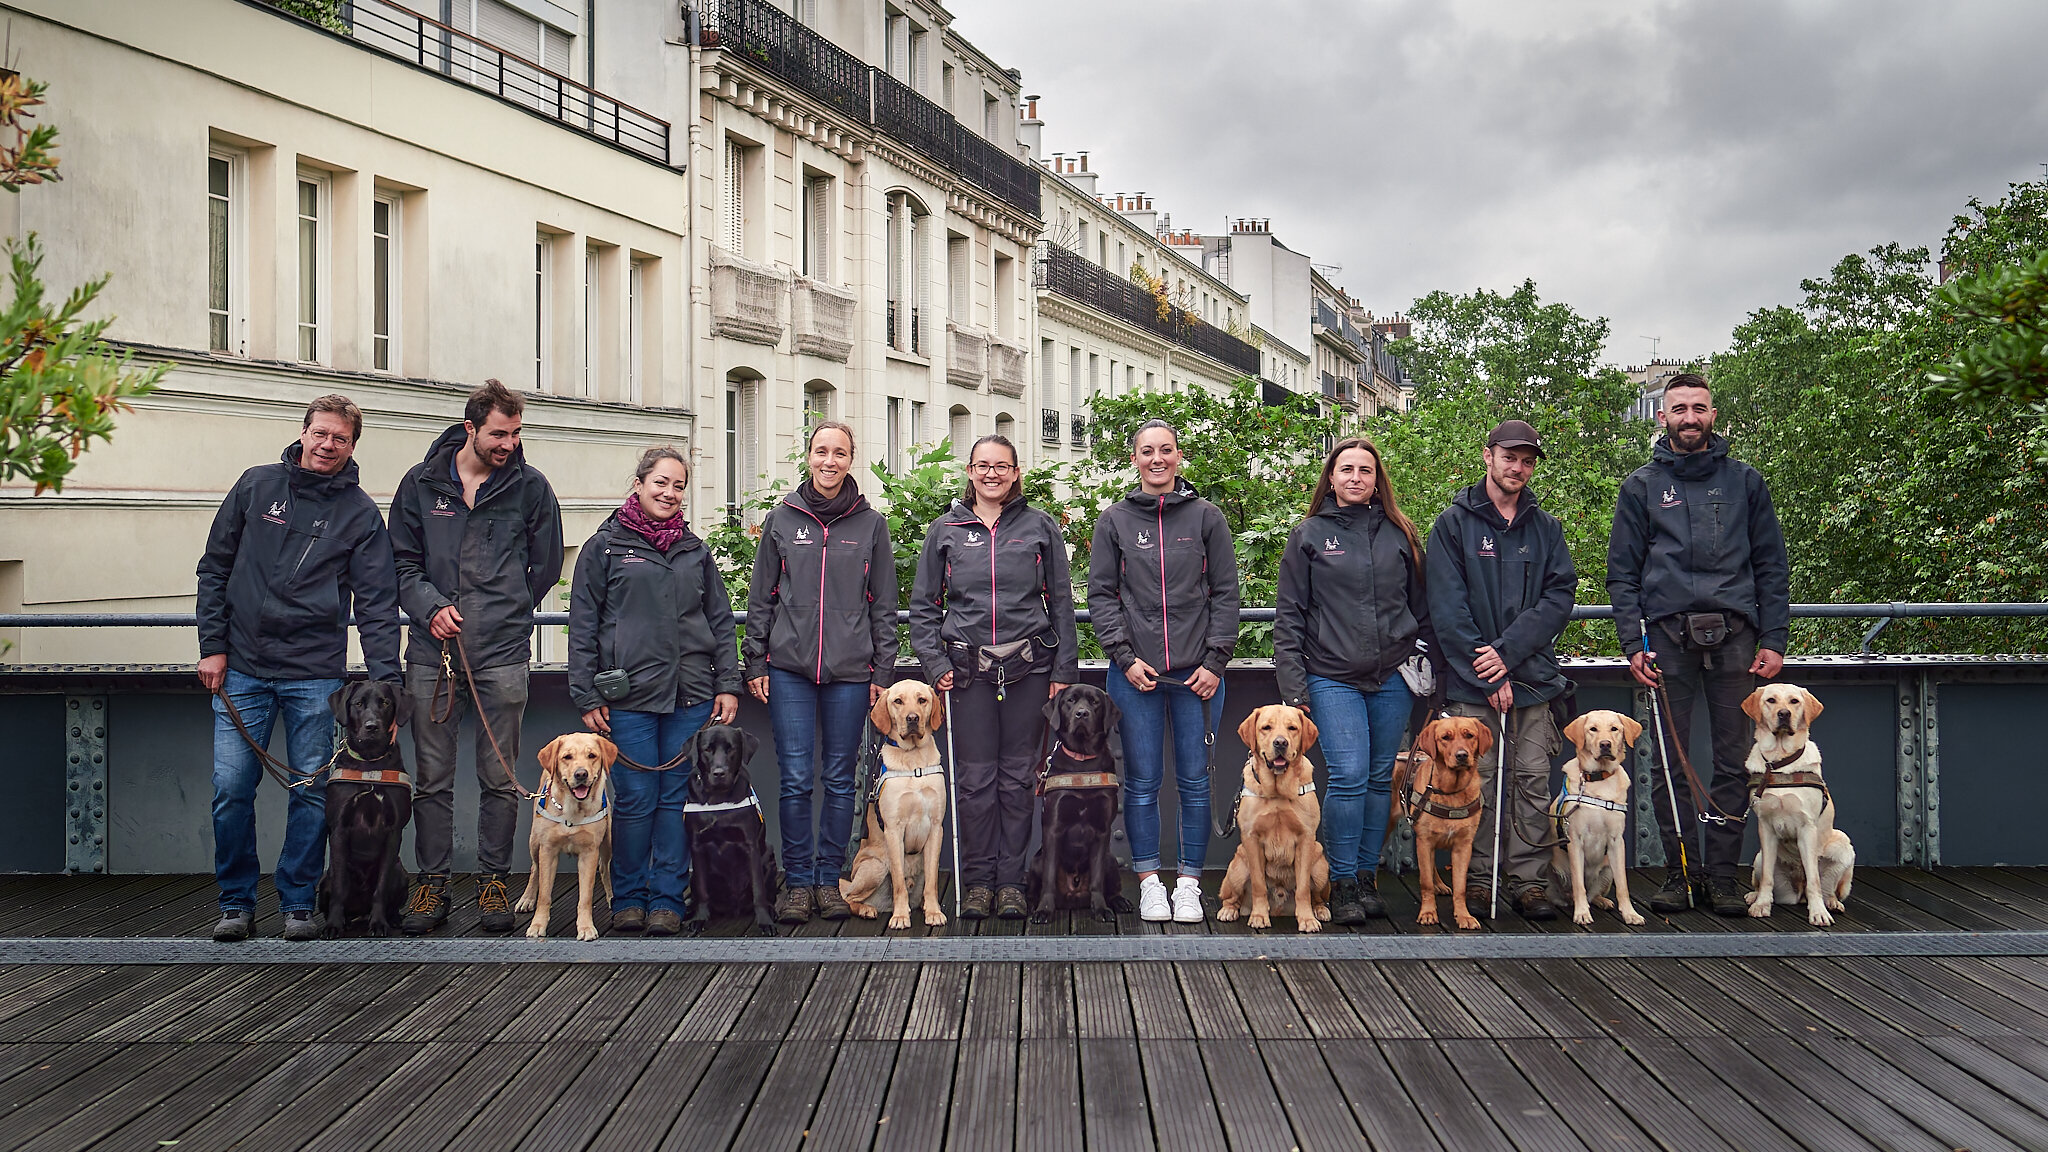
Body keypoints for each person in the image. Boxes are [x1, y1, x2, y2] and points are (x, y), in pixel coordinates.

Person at [195, 395, 401, 942]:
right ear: (303, 433)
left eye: (340, 438)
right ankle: (236, 903)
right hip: (240, 666)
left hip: (314, 674)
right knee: (231, 788)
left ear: (353, 446)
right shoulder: (256, 486)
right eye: (320, 433)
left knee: (310, 793)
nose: (327, 444)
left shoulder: (359, 514)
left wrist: (391, 688)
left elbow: (377, 604)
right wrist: (212, 646)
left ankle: (298, 904)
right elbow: (214, 567)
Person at [1608, 373, 1790, 916]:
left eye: (1699, 408)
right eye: (1679, 408)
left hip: (1737, 637)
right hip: (1666, 638)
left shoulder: (1746, 482)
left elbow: (1770, 565)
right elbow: (1623, 574)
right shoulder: (1640, 486)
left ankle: (1723, 878)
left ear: (1713, 415)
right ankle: (1680, 875)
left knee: (1735, 762)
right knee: (1670, 761)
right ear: (1662, 417)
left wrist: (1774, 637)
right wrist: (1631, 643)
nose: (1690, 417)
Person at [389, 379, 564, 934]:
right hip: (431, 654)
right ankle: (432, 885)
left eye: (516, 433)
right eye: (498, 433)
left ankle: (493, 882)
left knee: (500, 775)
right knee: (433, 777)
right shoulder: (419, 485)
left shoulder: (531, 489)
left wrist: (506, 611)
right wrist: (430, 607)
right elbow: (400, 565)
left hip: (503, 654)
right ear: (470, 428)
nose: (508, 443)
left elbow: (548, 565)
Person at [569, 447, 740, 936]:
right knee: (636, 799)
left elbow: (720, 622)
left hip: (690, 697)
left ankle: (667, 899)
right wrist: (587, 694)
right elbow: (583, 625)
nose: (669, 493)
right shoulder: (604, 547)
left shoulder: (694, 550)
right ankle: (628, 899)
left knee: (676, 800)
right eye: (660, 483)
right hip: (628, 699)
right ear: (639, 483)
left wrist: (727, 684)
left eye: (678, 485)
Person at [909, 434, 1079, 921]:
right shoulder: (945, 530)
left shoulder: (1040, 527)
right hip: (965, 675)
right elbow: (923, 609)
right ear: (969, 471)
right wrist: (935, 665)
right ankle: (978, 881)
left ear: (1015, 472)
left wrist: (1063, 669)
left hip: (1030, 670)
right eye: (982, 465)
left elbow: (1062, 603)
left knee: (1017, 779)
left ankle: (1010, 882)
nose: (991, 474)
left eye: (1001, 466)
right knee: (975, 780)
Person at [1273, 436, 1436, 923]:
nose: (1356, 478)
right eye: (1347, 469)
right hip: (1330, 675)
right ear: (1331, 477)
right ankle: (1342, 882)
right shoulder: (1309, 535)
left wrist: (1422, 664)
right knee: (1346, 776)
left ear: (1377, 479)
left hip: (1394, 677)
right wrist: (1295, 690)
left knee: (1375, 779)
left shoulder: (1400, 534)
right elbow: (1289, 618)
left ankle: (1367, 878)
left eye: (1365, 471)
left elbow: (1423, 611)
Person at [745, 421, 900, 925]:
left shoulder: (870, 525)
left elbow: (884, 605)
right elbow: (761, 597)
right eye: (820, 451)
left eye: (839, 453)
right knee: (794, 779)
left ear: (850, 460)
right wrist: (755, 661)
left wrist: (882, 669)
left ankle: (830, 880)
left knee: (839, 779)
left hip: (852, 672)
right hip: (789, 669)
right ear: (808, 456)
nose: (829, 461)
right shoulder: (783, 519)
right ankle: (798, 882)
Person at [1088, 419, 1239, 923]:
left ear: (1179, 457)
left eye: (1166, 450)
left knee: (1196, 782)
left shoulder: (1206, 517)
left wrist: (1215, 662)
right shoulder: (1114, 521)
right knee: (1142, 782)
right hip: (1136, 679)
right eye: (1147, 451)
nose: (1158, 458)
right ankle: (1151, 880)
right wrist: (1125, 659)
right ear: (1134, 459)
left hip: (1198, 678)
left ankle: (1190, 884)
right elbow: (1102, 597)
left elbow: (1225, 594)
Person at [1425, 419, 1576, 921]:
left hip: (1533, 680)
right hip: (1471, 685)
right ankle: (1476, 878)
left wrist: (1508, 655)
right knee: (1476, 781)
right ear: (1488, 457)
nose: (1518, 467)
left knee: (1532, 781)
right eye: (1510, 457)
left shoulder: (1547, 529)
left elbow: (1559, 599)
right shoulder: (1452, 525)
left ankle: (1527, 882)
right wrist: (1490, 673)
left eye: (1527, 460)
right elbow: (1447, 609)